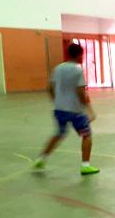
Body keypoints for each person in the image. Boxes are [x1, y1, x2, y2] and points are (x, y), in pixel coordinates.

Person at [33, 43, 99, 175]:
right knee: (86, 135)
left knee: (59, 134)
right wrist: (89, 110)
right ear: (80, 55)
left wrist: (56, 102)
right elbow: (81, 92)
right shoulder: (77, 70)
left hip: (59, 109)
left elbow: (50, 88)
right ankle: (85, 166)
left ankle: (41, 159)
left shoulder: (58, 68)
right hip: (75, 111)